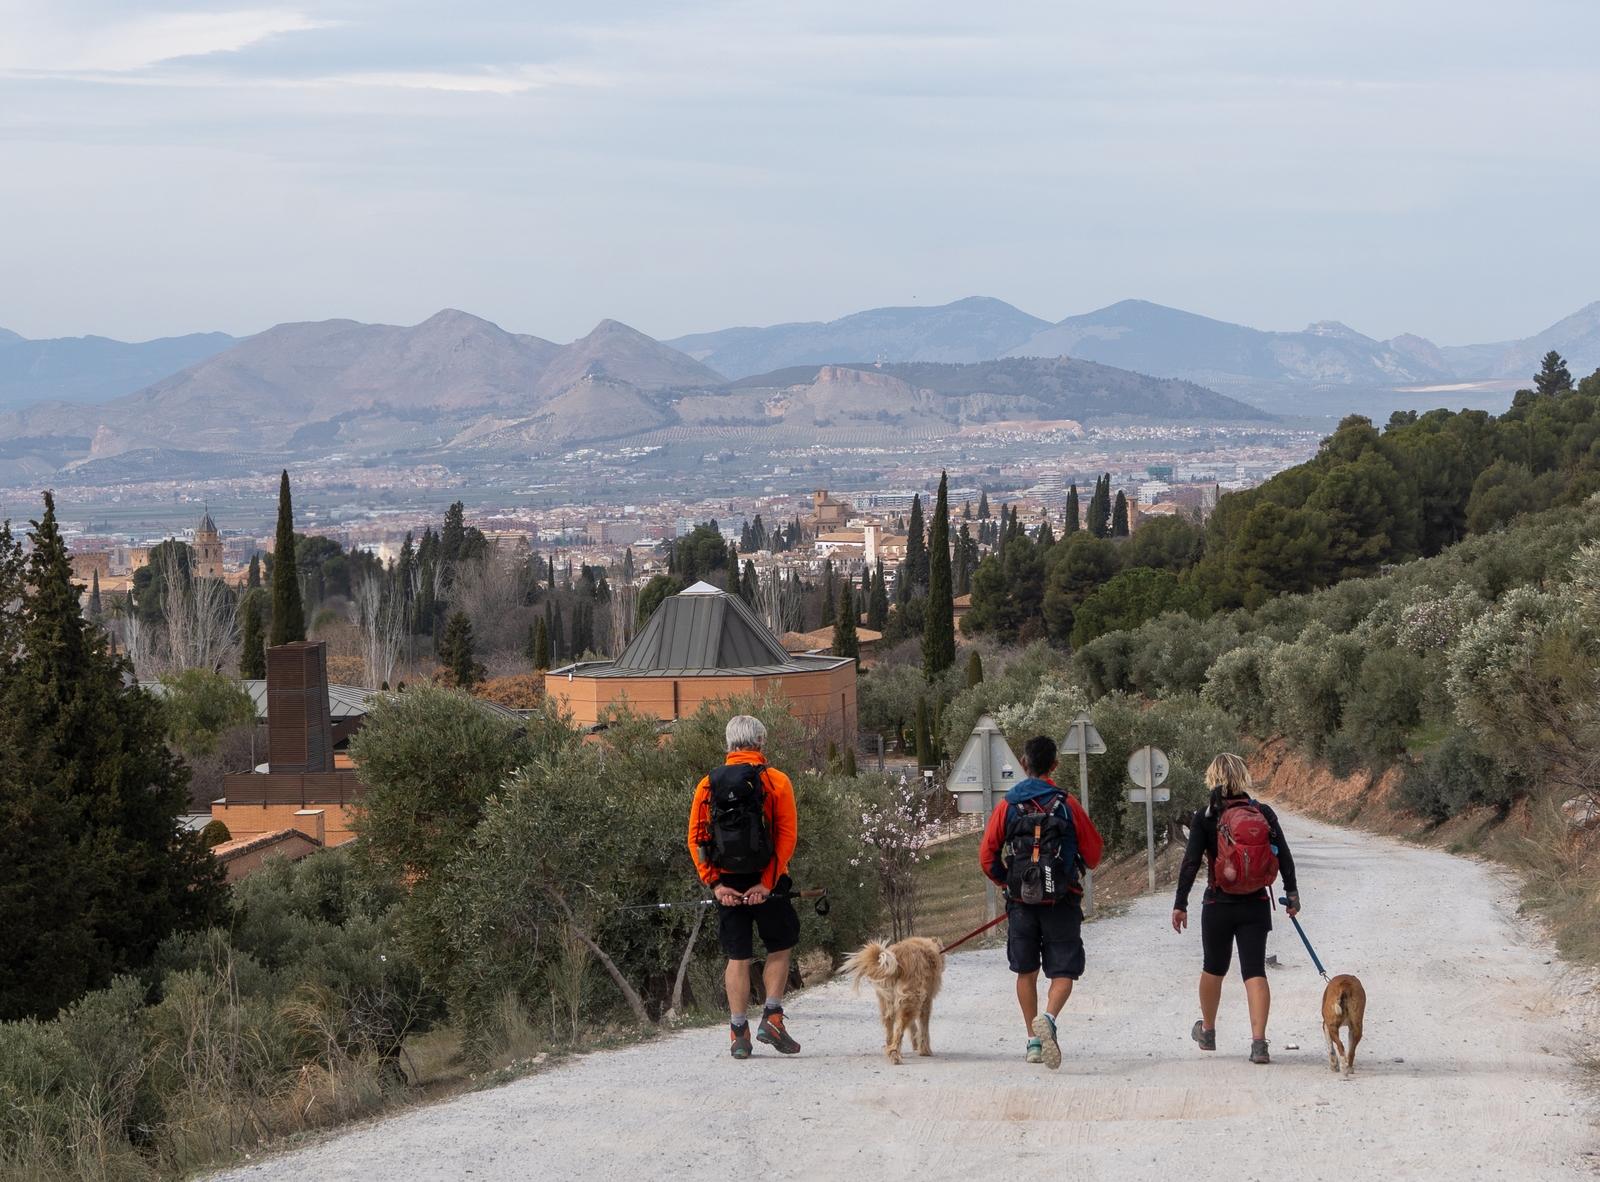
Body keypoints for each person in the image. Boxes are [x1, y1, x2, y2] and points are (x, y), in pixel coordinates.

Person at [978, 735, 1104, 1069]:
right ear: (1055, 766)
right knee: (1063, 970)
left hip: (1022, 903)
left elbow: (987, 855)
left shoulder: (1008, 805)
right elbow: (1093, 855)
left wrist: (1009, 882)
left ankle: (1033, 1042)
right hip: (1061, 900)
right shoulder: (1067, 804)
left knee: (1026, 971)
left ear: (1023, 763)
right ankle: (1048, 1018)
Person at [1171, 753, 1300, 1064]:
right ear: (1243, 777)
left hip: (1218, 904)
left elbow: (1190, 863)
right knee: (1254, 970)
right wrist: (1292, 893)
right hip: (1255, 903)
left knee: (1213, 967)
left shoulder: (1205, 816)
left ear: (1212, 779)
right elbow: (1283, 854)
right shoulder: (1263, 812)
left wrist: (1180, 903)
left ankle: (1209, 1031)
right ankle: (1259, 1043)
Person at [687, 715, 802, 1059]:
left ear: (729, 744)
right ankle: (772, 1016)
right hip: (768, 881)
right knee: (780, 946)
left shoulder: (708, 784)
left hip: (728, 884)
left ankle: (739, 1033)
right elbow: (786, 836)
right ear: (761, 743)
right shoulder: (776, 780)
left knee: (737, 956)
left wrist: (715, 883)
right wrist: (767, 884)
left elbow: (696, 838)